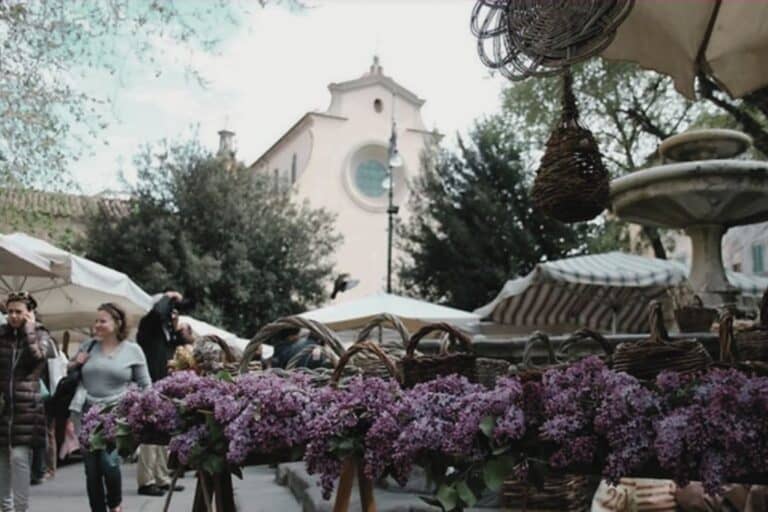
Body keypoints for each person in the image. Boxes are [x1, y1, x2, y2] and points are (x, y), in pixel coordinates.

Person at [69, 303, 150, 512]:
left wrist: (136, 410)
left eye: (102, 321)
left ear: (117, 323)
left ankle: (115, 505)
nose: (97, 325)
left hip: (117, 414)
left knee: (109, 463)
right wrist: (75, 363)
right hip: (88, 413)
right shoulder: (87, 346)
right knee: (92, 470)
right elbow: (68, 373)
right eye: (96, 320)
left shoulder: (133, 350)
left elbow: (145, 386)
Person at [135, 291, 193, 497]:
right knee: (150, 435)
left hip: (163, 385)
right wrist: (169, 296)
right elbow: (159, 310)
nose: (174, 313)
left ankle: (161, 477)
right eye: (172, 309)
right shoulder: (149, 323)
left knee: (162, 434)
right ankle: (146, 481)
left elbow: (183, 339)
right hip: (150, 385)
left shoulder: (164, 330)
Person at [0, 291, 51, 512]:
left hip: (26, 405)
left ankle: (21, 508)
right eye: (9, 311)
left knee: (20, 457)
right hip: (3, 405)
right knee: (2, 459)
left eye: (18, 311)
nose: (13, 316)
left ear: (30, 313)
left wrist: (29, 330)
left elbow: (38, 357)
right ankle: (5, 507)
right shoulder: (1, 335)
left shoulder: (41, 335)